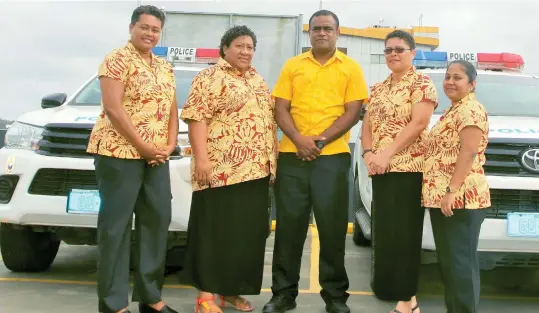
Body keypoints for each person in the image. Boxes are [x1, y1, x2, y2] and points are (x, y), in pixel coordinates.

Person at [263, 10, 368, 313]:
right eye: (317, 29)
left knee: (333, 229)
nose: (322, 33)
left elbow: (352, 112)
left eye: (328, 29)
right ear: (309, 33)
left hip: (331, 158)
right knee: (289, 228)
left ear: (338, 33)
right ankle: (283, 294)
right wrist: (299, 140)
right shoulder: (293, 66)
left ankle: (335, 297)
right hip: (292, 156)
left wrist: (319, 141)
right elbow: (280, 107)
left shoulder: (350, 68)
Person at [86, 5, 179, 313]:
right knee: (116, 228)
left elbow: (171, 111)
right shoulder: (116, 60)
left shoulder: (164, 67)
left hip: (156, 157)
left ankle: (151, 299)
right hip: (119, 153)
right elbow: (114, 109)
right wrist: (143, 146)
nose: (149, 33)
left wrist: (166, 146)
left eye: (155, 29)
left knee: (157, 223)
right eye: (144, 27)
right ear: (131, 27)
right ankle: (113, 304)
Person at [178, 25, 277, 313]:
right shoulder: (209, 78)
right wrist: (203, 160)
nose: (246, 52)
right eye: (239, 46)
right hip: (220, 170)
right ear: (225, 48)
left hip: (256, 171)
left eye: (250, 47)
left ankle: (230, 291)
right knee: (214, 233)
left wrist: (272, 164)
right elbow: (196, 119)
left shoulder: (258, 81)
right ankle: (206, 296)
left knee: (245, 235)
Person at [360, 30, 438, 313]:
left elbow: (418, 124)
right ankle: (394, 292)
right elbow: (367, 124)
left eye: (400, 49)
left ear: (413, 53)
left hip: (409, 170)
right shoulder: (378, 88)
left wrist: (386, 154)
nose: (393, 54)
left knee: (405, 236)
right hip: (380, 170)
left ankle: (408, 302)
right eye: (389, 50)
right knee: (387, 235)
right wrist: (369, 154)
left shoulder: (422, 84)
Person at [422, 60, 490, 313]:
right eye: (448, 77)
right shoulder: (454, 110)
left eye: (458, 78)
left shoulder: (470, 110)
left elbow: (469, 151)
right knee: (450, 263)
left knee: (460, 264)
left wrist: (451, 191)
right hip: (445, 198)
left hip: (462, 199)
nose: (450, 82)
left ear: (472, 84)